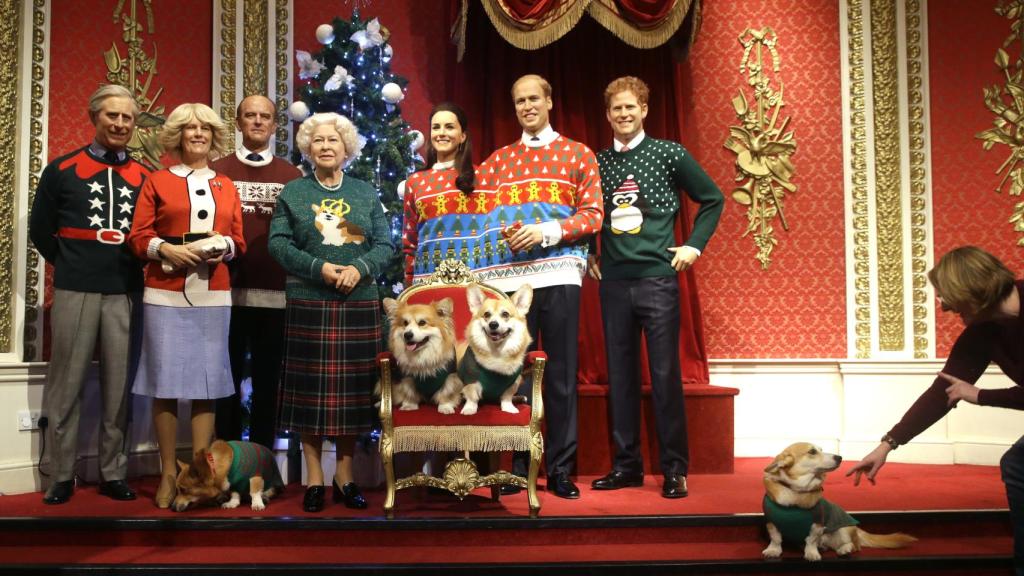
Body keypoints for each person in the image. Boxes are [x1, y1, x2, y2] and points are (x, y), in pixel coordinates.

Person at [847, 246, 1024, 573]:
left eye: (946, 296)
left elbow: (970, 391)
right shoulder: (984, 331)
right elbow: (943, 391)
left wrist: (981, 395)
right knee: (1017, 464)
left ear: (971, 288)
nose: (942, 306)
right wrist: (888, 443)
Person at [587, 76, 724, 499]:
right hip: (613, 283)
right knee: (621, 378)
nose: (623, 115)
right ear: (607, 115)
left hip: (658, 280)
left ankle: (674, 470)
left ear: (644, 109)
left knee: (665, 376)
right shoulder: (597, 162)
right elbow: (588, 212)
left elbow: (713, 198)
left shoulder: (668, 153)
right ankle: (626, 466)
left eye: (630, 107)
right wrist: (589, 252)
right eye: (616, 109)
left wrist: (694, 247)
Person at [479, 74, 604, 499]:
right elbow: (482, 217)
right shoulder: (497, 161)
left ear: (550, 101)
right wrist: (507, 232)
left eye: (534, 98)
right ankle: (518, 463)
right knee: (513, 371)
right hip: (511, 281)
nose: (527, 106)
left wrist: (546, 231)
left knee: (561, 375)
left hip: (561, 273)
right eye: (519, 101)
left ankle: (561, 468)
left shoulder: (578, 153)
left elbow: (593, 215)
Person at [29, 84, 150, 505]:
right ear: (94, 118)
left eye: (127, 118)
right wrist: (73, 263)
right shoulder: (62, 169)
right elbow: (40, 231)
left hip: (126, 291)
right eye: (111, 116)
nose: (119, 124)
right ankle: (62, 473)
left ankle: (113, 470)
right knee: (67, 383)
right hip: (75, 287)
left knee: (119, 385)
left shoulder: (145, 177)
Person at [269, 112, 394, 513]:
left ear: (346, 149)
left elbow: (385, 244)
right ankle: (314, 480)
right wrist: (319, 268)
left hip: (357, 304)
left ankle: (345, 476)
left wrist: (358, 268)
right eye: (318, 140)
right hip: (310, 301)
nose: (326, 146)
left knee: (353, 397)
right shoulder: (293, 192)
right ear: (308, 147)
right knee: (309, 398)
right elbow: (279, 244)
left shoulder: (365, 192)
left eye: (333, 140)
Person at [127, 102, 245, 508]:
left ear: (214, 138)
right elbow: (139, 237)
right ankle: (167, 475)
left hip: (214, 295)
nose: (198, 134)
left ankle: (203, 475)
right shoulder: (157, 180)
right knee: (165, 384)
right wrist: (168, 252)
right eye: (190, 128)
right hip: (164, 292)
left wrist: (221, 247)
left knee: (206, 385)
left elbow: (238, 240)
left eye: (205, 129)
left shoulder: (227, 185)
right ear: (177, 136)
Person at [212, 95, 301, 450]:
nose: (258, 122)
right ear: (238, 123)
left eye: (265, 116)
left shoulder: (291, 175)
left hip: (276, 296)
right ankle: (226, 462)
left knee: (269, 383)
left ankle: (263, 462)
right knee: (225, 380)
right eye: (250, 115)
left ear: (275, 125)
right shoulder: (217, 172)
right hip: (223, 294)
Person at [401, 102, 479, 286]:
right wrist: (409, 285)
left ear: (463, 136)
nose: (441, 133)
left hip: (472, 281)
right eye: (436, 127)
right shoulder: (415, 182)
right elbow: (410, 241)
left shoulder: (480, 176)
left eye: (449, 127)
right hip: (427, 280)